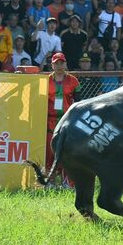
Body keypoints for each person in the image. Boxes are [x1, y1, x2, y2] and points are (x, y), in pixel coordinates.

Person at [46, 52, 81, 188]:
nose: (59, 66)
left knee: (66, 151)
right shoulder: (45, 81)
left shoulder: (73, 81)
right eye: (56, 63)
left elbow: (78, 102)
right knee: (50, 151)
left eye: (62, 63)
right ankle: (50, 181)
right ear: (52, 65)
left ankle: (67, 181)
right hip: (49, 120)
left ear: (65, 64)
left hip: (66, 120)